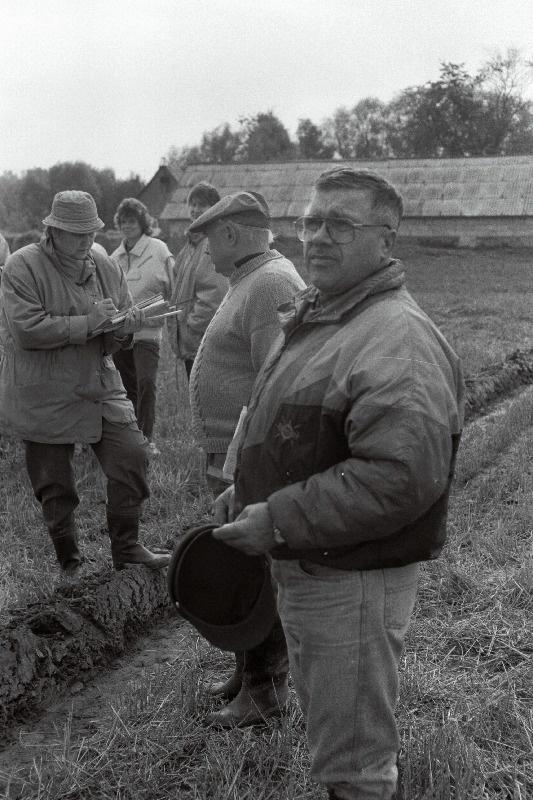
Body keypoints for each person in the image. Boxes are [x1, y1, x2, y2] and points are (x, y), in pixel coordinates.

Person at [212, 168, 464, 800]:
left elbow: (398, 478)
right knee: (335, 731)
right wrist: (244, 492)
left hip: (351, 580)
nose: (318, 238)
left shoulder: (395, 339)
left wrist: (276, 518)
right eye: (311, 221)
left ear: (386, 238)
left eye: (341, 224)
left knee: (353, 763)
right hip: (318, 562)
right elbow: (296, 429)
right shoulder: (328, 316)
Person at [0, 191, 170, 580]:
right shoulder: (22, 267)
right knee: (55, 484)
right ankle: (71, 563)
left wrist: (124, 330)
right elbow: (26, 330)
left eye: (89, 233)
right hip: (41, 390)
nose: (85, 242)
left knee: (132, 454)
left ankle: (127, 550)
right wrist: (89, 322)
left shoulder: (106, 267)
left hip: (97, 382)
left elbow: (113, 335)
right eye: (75, 234)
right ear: (53, 231)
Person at [187, 190, 306, 727]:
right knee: (239, 563)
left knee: (257, 570)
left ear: (232, 234)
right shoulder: (250, 280)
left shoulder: (272, 284)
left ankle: (266, 690)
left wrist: (239, 465)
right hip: (233, 455)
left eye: (209, 238)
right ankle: (247, 673)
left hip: (250, 457)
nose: (206, 251)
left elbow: (274, 384)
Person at [111, 198, 174, 456]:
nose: (128, 226)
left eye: (133, 221)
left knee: (147, 382)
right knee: (125, 387)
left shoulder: (158, 249)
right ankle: (130, 438)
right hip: (121, 333)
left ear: (143, 223)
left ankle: (148, 440)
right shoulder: (114, 257)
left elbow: (174, 285)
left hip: (148, 332)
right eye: (124, 221)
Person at [167, 182, 228, 379]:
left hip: (203, 344)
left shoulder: (212, 244)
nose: (194, 210)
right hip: (192, 344)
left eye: (201, 204)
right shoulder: (191, 245)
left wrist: (189, 325)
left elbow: (213, 297)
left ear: (215, 208)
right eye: (191, 204)